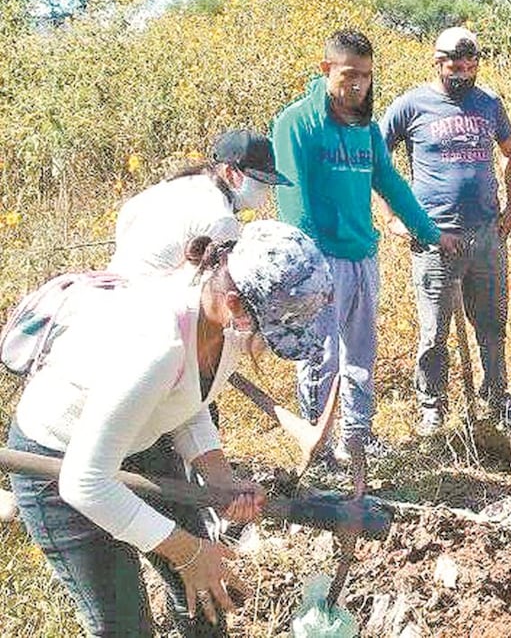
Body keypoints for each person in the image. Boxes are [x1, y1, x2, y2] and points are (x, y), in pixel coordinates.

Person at [6, 220, 333, 637]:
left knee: (206, 598)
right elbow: (84, 483)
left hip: (138, 444)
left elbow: (187, 400)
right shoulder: (158, 343)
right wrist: (188, 551)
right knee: (124, 626)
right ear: (235, 304)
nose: (266, 345)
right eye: (270, 331)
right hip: (57, 465)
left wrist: (220, 478)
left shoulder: (220, 319)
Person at [272, 29, 460, 467]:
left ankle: (357, 437)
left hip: (362, 255)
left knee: (359, 352)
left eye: (366, 76)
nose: (358, 84)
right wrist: (310, 267)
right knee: (321, 355)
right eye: (349, 74)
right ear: (326, 70)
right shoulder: (295, 124)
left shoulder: (366, 128)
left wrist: (430, 232)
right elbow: (293, 201)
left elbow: (390, 183)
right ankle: (318, 445)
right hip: (319, 259)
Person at [379, 27, 511, 435]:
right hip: (433, 237)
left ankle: (497, 398)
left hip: (486, 233)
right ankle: (433, 406)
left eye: (469, 66)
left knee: (492, 324)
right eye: (454, 67)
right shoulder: (411, 105)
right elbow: (376, 158)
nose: (462, 74)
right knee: (434, 331)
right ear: (437, 63)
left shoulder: (489, 103)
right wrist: (392, 217)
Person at [108, 130, 289, 277]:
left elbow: (127, 214)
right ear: (229, 171)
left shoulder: (179, 184)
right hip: (147, 301)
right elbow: (212, 291)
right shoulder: (221, 220)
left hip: (110, 290)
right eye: (258, 181)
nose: (264, 188)